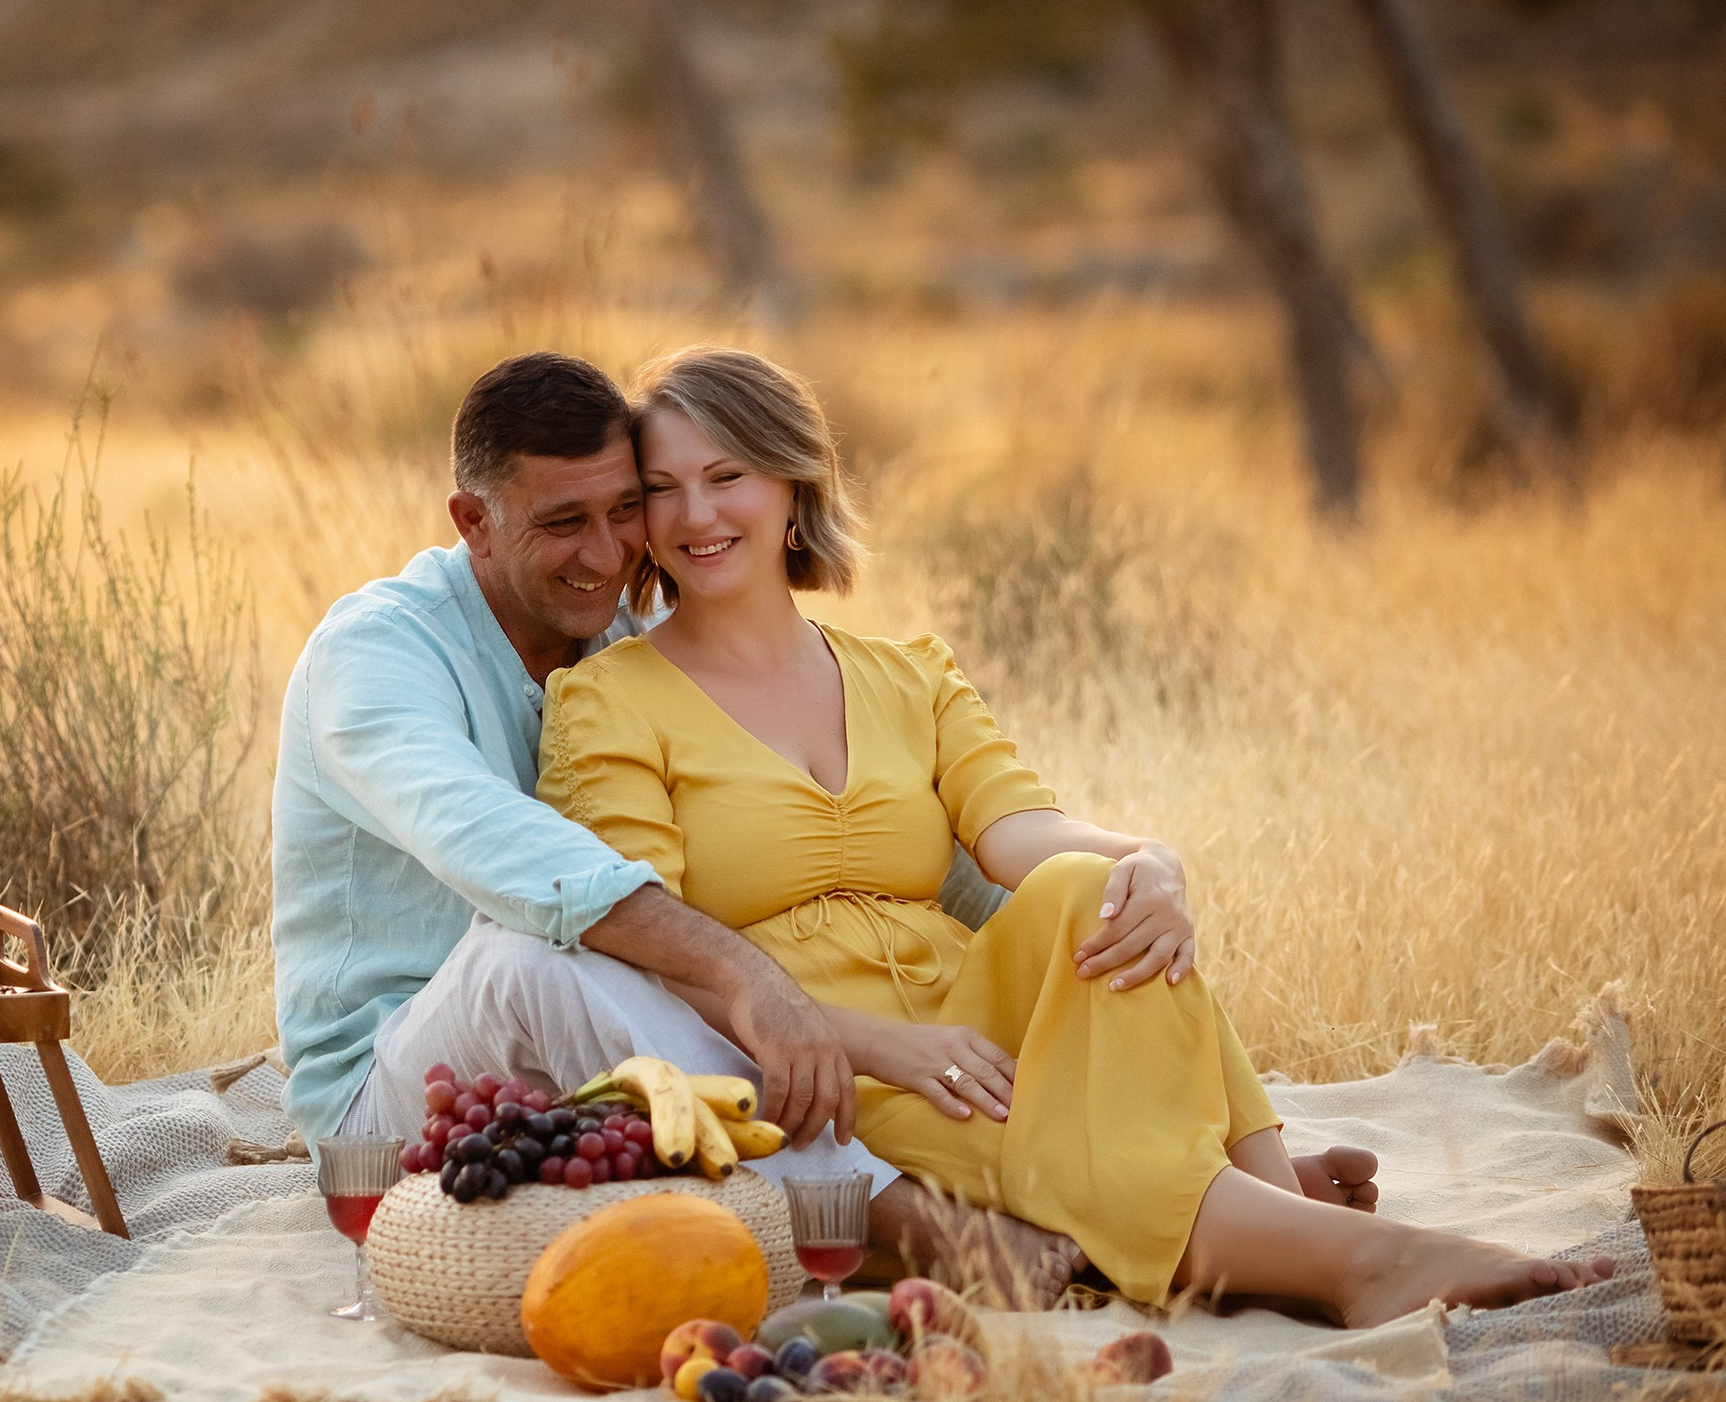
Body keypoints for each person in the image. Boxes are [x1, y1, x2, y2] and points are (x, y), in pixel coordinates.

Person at [533, 345, 1614, 1326]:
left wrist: (1152, 861)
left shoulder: (909, 672)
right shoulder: (607, 701)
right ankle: (1331, 1243)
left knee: (1094, 897)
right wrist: (882, 1045)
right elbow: (654, 950)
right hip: (818, 1062)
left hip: (977, 1022)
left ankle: (1271, 1207)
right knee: (1071, 1140)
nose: (693, 514)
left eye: (726, 474)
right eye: (661, 489)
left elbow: (1023, 834)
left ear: (791, 485)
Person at [272, 352, 1086, 1300]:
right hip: (394, 1098)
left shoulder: (618, 644)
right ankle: (894, 1217)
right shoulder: (377, 653)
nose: (610, 553)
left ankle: (1142, 1178)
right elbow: (493, 842)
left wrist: (1060, 916)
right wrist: (752, 979)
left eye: (627, 509)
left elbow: (906, 847)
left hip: (603, 1075)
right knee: (533, 954)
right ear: (473, 523)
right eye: (563, 522)